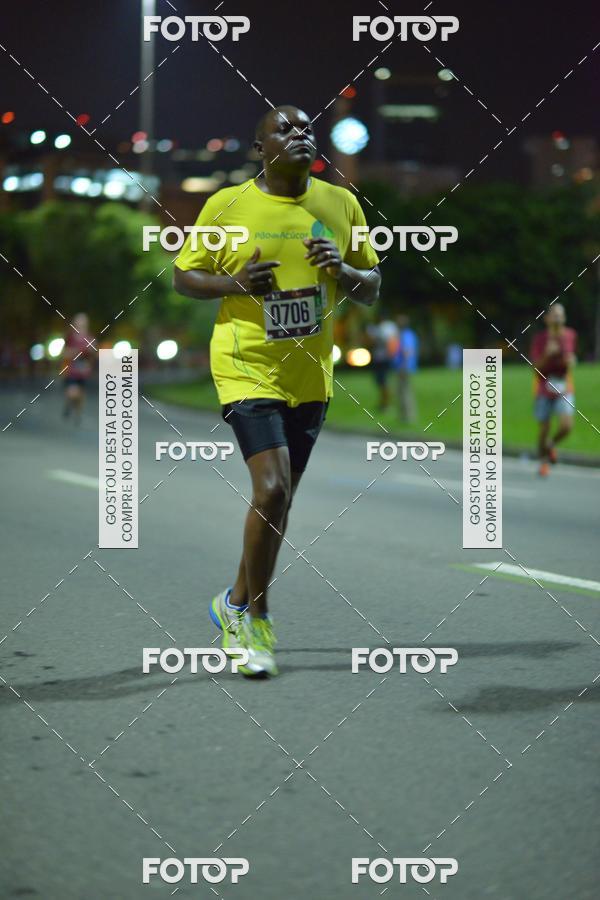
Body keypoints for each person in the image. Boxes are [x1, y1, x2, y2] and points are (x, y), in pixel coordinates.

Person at [173, 105, 381, 677]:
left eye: (306, 126)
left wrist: (343, 269)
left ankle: (233, 600)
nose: (299, 134)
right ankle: (254, 622)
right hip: (246, 365)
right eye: (283, 128)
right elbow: (184, 275)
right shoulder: (228, 206)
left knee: (280, 498)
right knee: (270, 489)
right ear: (260, 146)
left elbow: (372, 286)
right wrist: (233, 282)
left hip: (309, 373)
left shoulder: (340, 204)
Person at [530, 303, 577, 477]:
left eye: (560, 315)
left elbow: (569, 358)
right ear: (547, 318)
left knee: (566, 426)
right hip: (543, 386)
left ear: (564, 318)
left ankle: (550, 445)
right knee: (544, 427)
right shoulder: (540, 339)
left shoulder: (571, 335)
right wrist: (547, 354)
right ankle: (543, 462)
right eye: (554, 315)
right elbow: (535, 367)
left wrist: (570, 361)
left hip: (564, 386)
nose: (557, 318)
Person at [62, 313, 94, 424]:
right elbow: (64, 352)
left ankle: (78, 414)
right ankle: (68, 404)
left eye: (83, 321)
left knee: (80, 394)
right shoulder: (70, 337)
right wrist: (73, 353)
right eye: (79, 321)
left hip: (83, 371)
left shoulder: (89, 338)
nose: (81, 324)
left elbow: (94, 352)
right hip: (72, 370)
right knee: (72, 392)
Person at [365, 311, 399, 411]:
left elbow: (388, 341)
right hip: (379, 358)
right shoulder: (383, 327)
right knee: (380, 382)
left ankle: (386, 404)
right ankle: (384, 402)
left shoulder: (387, 327)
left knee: (384, 382)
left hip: (384, 358)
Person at [393, 314, 418, 423]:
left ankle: (408, 417)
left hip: (404, 367)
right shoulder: (406, 334)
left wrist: (404, 365)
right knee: (401, 391)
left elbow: (407, 351)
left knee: (404, 391)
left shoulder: (406, 335)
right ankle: (404, 416)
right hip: (404, 366)